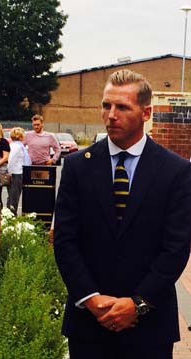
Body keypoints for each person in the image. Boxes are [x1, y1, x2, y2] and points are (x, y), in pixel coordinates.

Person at [53, 69, 191, 359]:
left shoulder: (175, 171)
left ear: (146, 112)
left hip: (150, 326)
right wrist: (92, 300)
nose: (111, 114)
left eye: (122, 107)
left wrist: (137, 304)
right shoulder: (78, 167)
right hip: (89, 324)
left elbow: (176, 248)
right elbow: (65, 240)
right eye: (106, 105)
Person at [6, 127, 30, 214]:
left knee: (14, 195)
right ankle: (11, 214)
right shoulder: (16, 146)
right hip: (16, 173)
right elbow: (11, 160)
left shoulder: (19, 146)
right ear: (19, 136)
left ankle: (11, 212)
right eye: (23, 135)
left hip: (18, 172)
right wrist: (10, 172)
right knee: (14, 196)